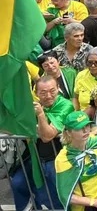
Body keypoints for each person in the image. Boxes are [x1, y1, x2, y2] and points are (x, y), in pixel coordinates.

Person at [11, 76, 70, 211]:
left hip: (56, 159)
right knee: (18, 183)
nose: (48, 96)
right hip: (34, 156)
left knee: (53, 197)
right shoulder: (32, 106)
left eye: (52, 91)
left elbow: (47, 136)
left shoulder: (65, 105)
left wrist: (41, 115)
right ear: (36, 93)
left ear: (58, 89)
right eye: (43, 93)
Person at [55, 110, 97, 211]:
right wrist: (93, 202)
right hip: (86, 207)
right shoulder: (63, 159)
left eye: (87, 126)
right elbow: (66, 195)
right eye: (79, 128)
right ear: (68, 132)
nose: (85, 130)